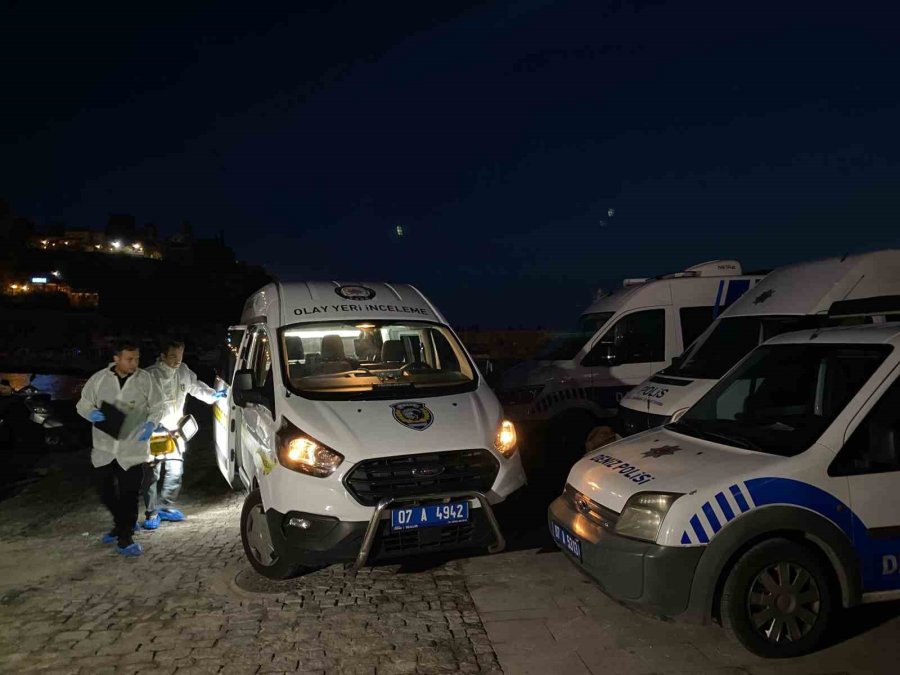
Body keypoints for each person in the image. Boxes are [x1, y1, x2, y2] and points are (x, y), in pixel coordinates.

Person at [76, 340, 164, 557]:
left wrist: (151, 424)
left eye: (137, 359)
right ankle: (119, 524)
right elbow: (83, 403)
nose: (134, 363)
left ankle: (125, 537)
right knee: (104, 492)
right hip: (105, 448)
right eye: (129, 359)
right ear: (116, 359)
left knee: (129, 494)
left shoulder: (145, 380)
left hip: (133, 448)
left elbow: (158, 406)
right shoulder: (99, 379)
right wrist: (91, 413)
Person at [141, 338, 225, 529]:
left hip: (174, 431)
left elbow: (195, 386)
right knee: (152, 473)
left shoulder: (184, 372)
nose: (177, 360)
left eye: (180, 355)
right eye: (172, 356)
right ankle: (151, 512)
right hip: (154, 432)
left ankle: (166, 506)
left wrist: (213, 396)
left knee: (175, 470)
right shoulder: (149, 376)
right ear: (162, 356)